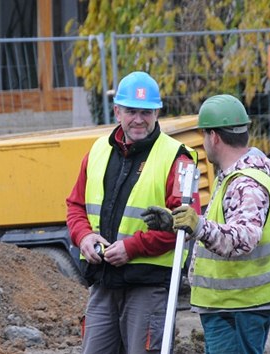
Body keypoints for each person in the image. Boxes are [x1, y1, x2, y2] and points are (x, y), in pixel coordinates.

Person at [142, 94, 270, 354]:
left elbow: (244, 237)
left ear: (214, 137)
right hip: (230, 304)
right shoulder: (232, 178)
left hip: (239, 306)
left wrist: (198, 225)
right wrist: (177, 224)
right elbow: (221, 227)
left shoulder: (246, 183)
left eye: (204, 136)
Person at [65, 71, 200, 354]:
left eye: (146, 112)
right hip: (104, 283)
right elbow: (76, 206)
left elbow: (183, 225)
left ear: (157, 112)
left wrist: (132, 247)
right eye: (131, 111)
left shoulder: (178, 157)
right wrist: (84, 237)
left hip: (148, 285)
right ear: (117, 112)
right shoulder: (98, 150)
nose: (138, 119)